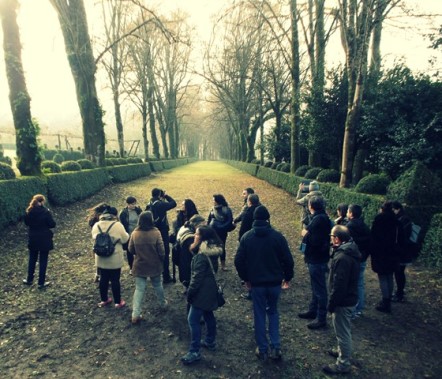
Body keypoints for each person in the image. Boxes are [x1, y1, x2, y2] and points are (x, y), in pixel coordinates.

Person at [235, 205, 294, 361]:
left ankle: (262, 349)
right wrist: (287, 277)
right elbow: (288, 260)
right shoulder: (278, 237)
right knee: (273, 312)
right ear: (268, 219)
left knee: (259, 315)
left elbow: (238, 260)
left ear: (254, 220)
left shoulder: (247, 237)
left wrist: (246, 278)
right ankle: (276, 347)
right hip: (274, 283)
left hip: (257, 285)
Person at [181, 225, 223, 365]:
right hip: (210, 290)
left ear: (203, 238)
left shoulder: (201, 256)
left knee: (193, 320)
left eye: (197, 234)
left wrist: (190, 293)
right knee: (208, 314)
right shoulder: (213, 251)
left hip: (201, 292)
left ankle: (194, 351)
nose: (195, 235)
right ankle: (210, 341)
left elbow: (196, 278)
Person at [323, 225, 361, 375]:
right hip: (349, 298)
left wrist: (331, 304)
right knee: (343, 330)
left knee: (343, 333)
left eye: (332, 237)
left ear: (337, 239)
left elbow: (339, 286)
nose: (330, 240)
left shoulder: (342, 258)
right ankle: (341, 351)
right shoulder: (350, 251)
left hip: (343, 302)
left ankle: (343, 364)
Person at [298, 196, 331, 330]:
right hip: (317, 257)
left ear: (311, 206)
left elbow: (315, 241)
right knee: (316, 286)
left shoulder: (319, 219)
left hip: (316, 258)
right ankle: (313, 310)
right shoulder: (321, 217)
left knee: (320, 289)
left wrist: (305, 234)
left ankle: (321, 318)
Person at [128, 211, 167, 324]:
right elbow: (162, 250)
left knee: (139, 289)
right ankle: (162, 303)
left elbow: (130, 249)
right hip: (154, 264)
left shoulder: (135, 233)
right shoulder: (156, 232)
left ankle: (135, 314)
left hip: (140, 265)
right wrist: (161, 259)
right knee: (157, 284)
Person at [91, 206, 129, 308]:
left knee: (103, 279)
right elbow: (125, 239)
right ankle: (118, 302)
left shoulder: (96, 225)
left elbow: (94, 238)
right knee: (115, 279)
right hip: (114, 256)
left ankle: (104, 299)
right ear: (114, 215)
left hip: (100, 256)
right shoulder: (117, 225)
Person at [370, 201, 402, 313]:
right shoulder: (395, 220)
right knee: (389, 275)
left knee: (383, 276)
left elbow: (373, 235)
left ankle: (385, 300)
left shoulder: (379, 219)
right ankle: (388, 299)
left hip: (381, 252)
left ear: (382, 209)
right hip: (392, 252)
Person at [22, 194, 56, 289]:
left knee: (32, 259)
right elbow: (52, 224)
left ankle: (29, 279)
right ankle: (41, 282)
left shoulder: (29, 211)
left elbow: (26, 223)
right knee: (43, 260)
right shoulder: (45, 212)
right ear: (42, 202)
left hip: (33, 238)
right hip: (44, 238)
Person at [146, 188, 177, 284]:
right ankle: (166, 277)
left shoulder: (150, 203)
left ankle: (154, 275)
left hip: (152, 231)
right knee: (165, 253)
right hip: (162, 231)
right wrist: (166, 196)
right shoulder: (161, 204)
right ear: (159, 195)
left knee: (154, 253)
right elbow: (173, 203)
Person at [346, 204, 372, 317]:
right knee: (360, 283)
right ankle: (359, 307)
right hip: (363, 257)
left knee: (352, 284)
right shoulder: (364, 225)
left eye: (348, 211)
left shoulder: (350, 226)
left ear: (351, 214)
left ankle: (353, 309)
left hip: (354, 258)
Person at [238, 193, 262, 299]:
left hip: (249, 241)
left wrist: (241, 240)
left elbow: (243, 229)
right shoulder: (262, 210)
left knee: (250, 265)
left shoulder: (248, 213)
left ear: (249, 202)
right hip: (261, 242)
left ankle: (252, 292)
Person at [176, 214, 206, 293]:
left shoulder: (184, 228)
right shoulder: (191, 237)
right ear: (197, 225)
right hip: (188, 260)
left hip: (182, 258)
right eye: (203, 225)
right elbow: (194, 251)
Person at [391, 201, 414, 302]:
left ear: (397, 209)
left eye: (393, 210)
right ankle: (399, 293)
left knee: (399, 272)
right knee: (399, 272)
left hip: (402, 251)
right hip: (404, 250)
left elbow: (401, 235)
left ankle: (400, 293)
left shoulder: (402, 219)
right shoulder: (404, 218)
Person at [207, 194, 234, 271]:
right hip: (213, 231)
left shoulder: (226, 209)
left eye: (213, 200)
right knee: (212, 247)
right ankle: (213, 264)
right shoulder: (212, 209)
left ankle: (223, 264)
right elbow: (209, 219)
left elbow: (229, 221)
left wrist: (221, 227)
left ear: (217, 201)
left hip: (222, 232)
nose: (213, 201)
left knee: (222, 247)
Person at [87, 202, 110, 282]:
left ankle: (97, 274)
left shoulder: (93, 218)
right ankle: (100, 275)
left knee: (98, 257)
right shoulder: (97, 220)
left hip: (97, 240)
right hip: (101, 239)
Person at [119, 196, 142, 274]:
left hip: (138, 232)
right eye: (132, 204)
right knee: (130, 251)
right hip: (129, 233)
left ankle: (140, 265)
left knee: (139, 249)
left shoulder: (137, 210)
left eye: (135, 204)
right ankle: (131, 267)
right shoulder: (124, 213)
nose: (134, 205)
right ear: (128, 204)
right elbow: (123, 224)